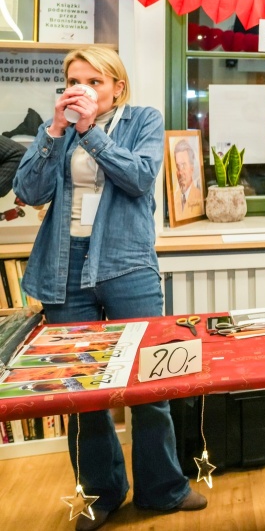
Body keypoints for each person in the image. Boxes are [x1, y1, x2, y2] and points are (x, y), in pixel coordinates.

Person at [13, 46, 206, 531]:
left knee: (149, 382)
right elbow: (29, 192)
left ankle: (163, 488)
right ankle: (101, 494)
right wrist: (55, 132)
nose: (81, 90)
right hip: (63, 267)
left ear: (117, 88)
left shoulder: (142, 119)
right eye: (73, 82)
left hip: (126, 265)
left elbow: (139, 178)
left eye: (94, 81)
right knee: (81, 389)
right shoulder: (56, 129)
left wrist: (90, 132)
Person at [171, 138, 203, 218]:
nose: (180, 172)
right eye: (178, 167)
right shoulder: (174, 199)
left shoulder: (199, 197)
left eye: (183, 165)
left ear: (192, 168)